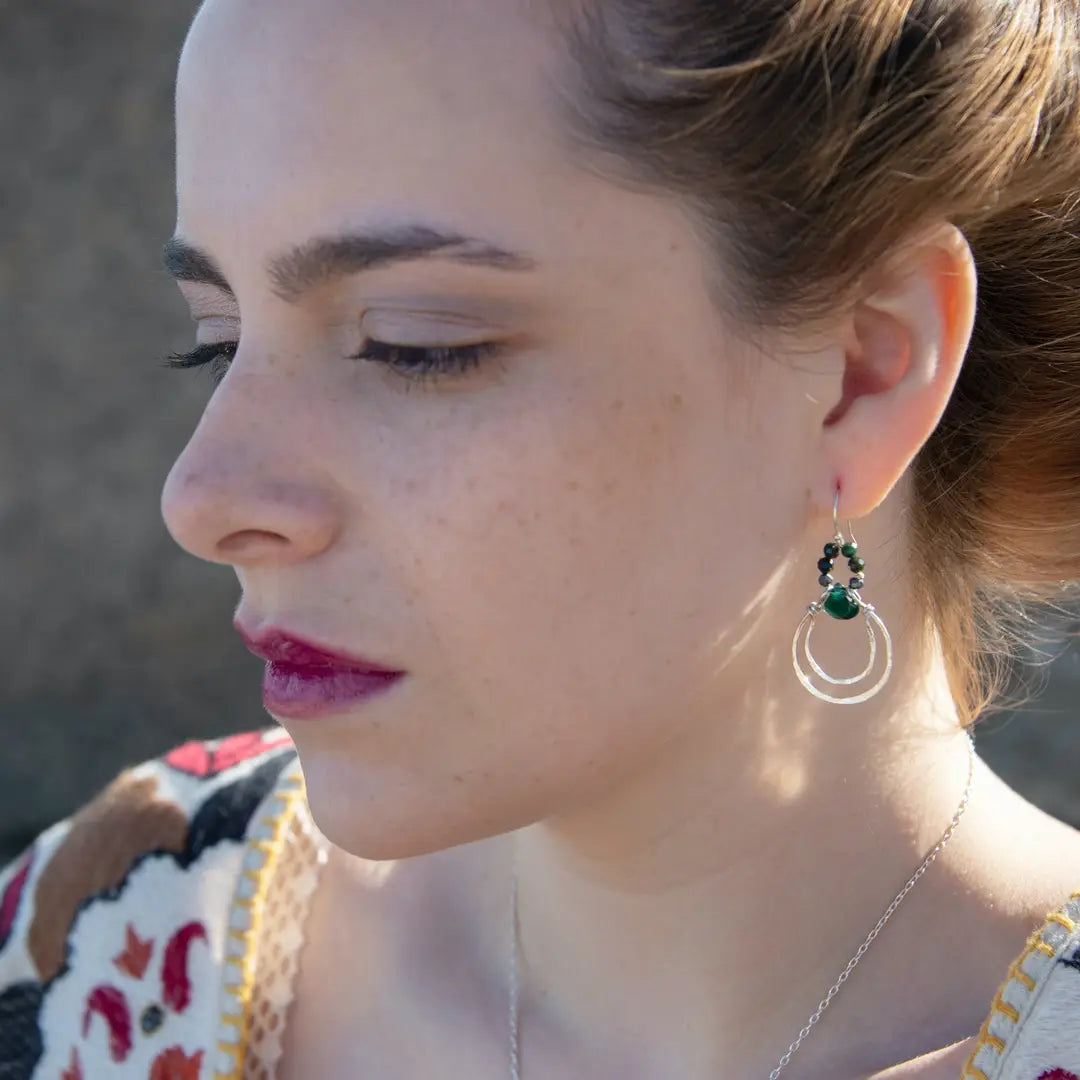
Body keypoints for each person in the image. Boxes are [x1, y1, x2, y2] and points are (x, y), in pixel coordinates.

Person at [4, 0, 1080, 1076]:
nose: (202, 498)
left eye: (413, 345)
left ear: (861, 374)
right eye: (218, 341)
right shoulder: (117, 932)